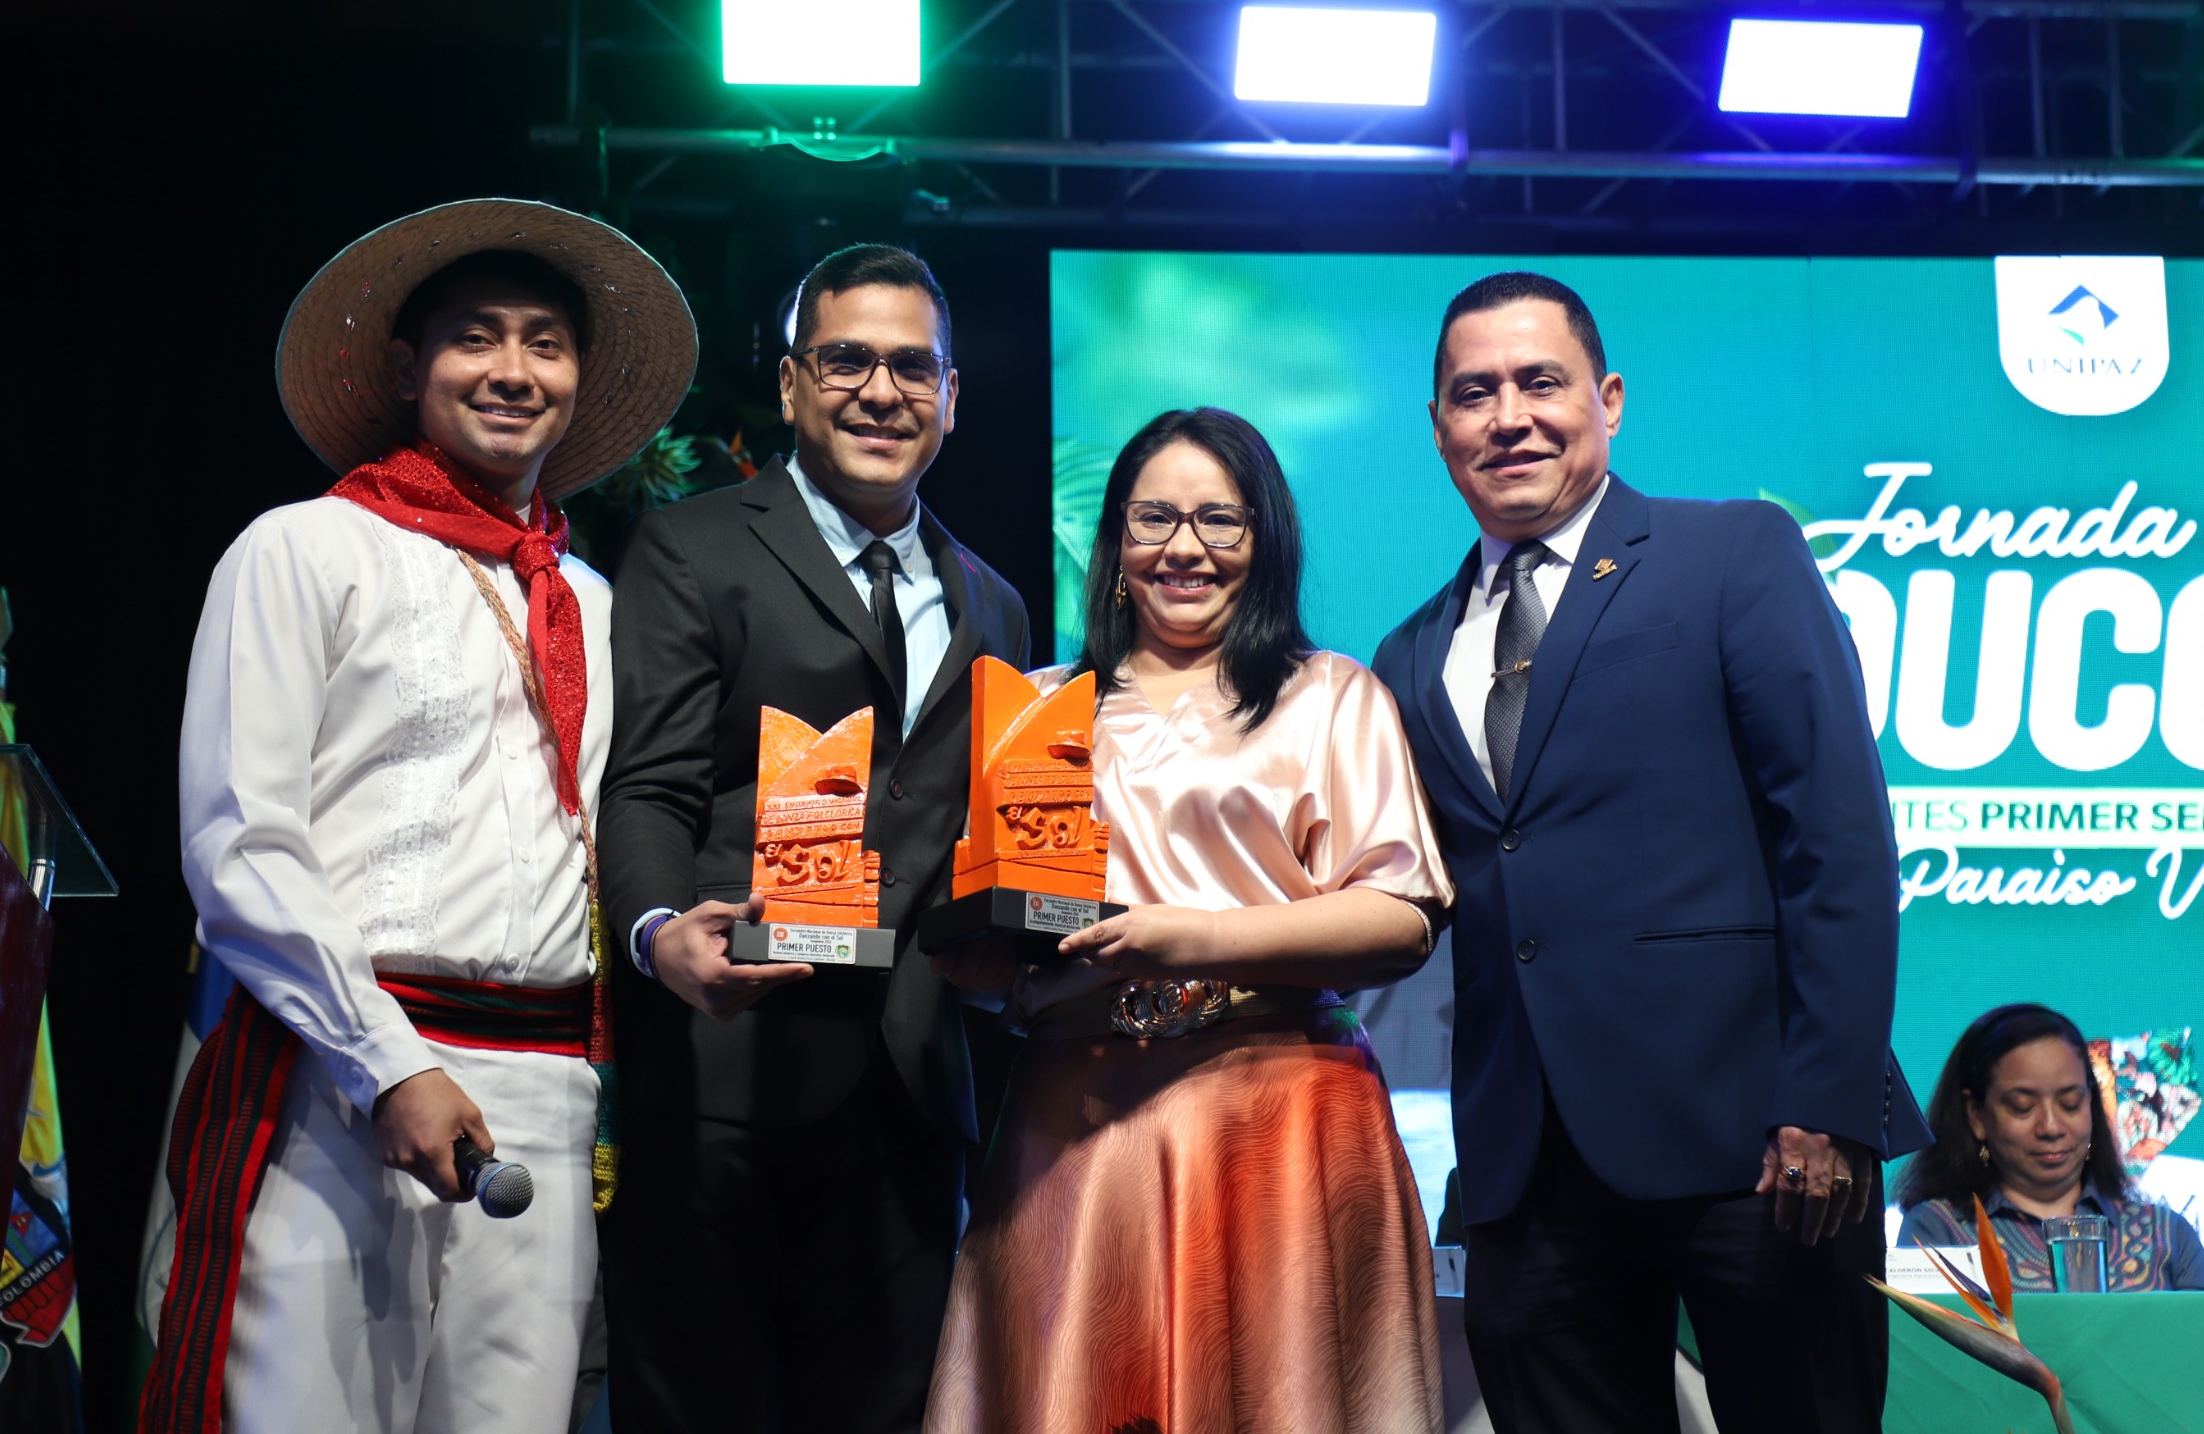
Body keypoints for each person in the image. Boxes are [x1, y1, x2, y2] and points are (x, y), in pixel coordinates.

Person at [145, 199, 696, 1434]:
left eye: (545, 343)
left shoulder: (593, 603)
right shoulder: (303, 550)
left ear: (578, 381)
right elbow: (239, 843)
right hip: (337, 1069)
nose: (513, 371)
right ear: (407, 368)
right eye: (475, 338)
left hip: (549, 1086)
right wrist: (387, 1062)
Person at [1370, 271, 1933, 1434]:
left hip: (1758, 1146)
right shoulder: (1408, 652)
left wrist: (1827, 1102)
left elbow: (1835, 836)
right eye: (1474, 393)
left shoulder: (1731, 553)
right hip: (1528, 1175)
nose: (1509, 417)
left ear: (1609, 399)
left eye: (1540, 382)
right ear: (1436, 427)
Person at [927, 407, 1452, 1434]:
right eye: (1154, 517)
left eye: (1220, 519)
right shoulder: (1037, 707)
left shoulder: (1329, 696)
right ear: (1115, 539)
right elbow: (997, 937)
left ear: (1265, 538)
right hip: (1079, 1123)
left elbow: (1399, 919)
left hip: (1281, 1115)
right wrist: (986, 963)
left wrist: (1188, 937)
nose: (1185, 547)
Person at [597, 244, 1030, 1433]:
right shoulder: (692, 547)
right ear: (791, 384)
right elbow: (649, 786)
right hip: (727, 1067)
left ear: (951, 396)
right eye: (845, 361)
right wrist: (656, 933)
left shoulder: (995, 601)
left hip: (912, 1091)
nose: (880, 392)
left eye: (912, 367)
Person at [1895, 1003, 2204, 1292]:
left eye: (2070, 1103)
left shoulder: (2167, 1235)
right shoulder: (1937, 1230)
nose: (2051, 1127)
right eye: (2022, 1107)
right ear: (1976, 1115)